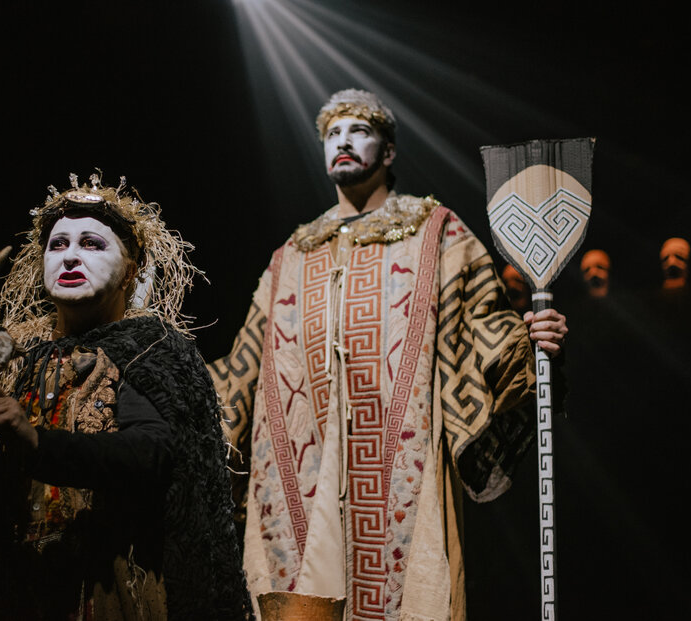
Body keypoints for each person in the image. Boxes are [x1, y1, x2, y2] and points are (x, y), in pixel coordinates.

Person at [207, 89, 567, 620]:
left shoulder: (438, 231)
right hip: (297, 478)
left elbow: (488, 328)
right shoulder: (291, 253)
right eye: (333, 133)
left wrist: (535, 345)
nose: (344, 142)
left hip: (401, 462)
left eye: (359, 130)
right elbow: (240, 367)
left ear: (389, 151)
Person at [0, 173, 252, 620]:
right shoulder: (10, 358)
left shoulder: (149, 350)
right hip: (8, 591)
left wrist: (36, 441)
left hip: (106, 591)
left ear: (131, 271)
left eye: (92, 243)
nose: (71, 256)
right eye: (58, 245)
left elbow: (154, 452)